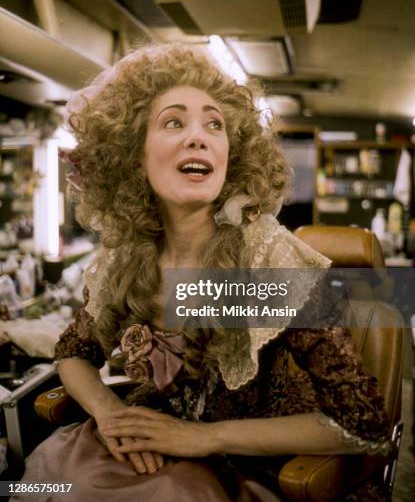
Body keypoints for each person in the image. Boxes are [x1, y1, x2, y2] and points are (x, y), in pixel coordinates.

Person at [18, 44, 391, 501]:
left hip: (247, 472)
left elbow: (361, 424)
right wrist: (108, 412)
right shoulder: (128, 258)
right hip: (148, 459)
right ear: (134, 154)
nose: (200, 137)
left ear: (231, 153)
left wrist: (202, 438)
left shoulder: (263, 259)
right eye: (174, 122)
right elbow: (73, 352)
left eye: (215, 124)